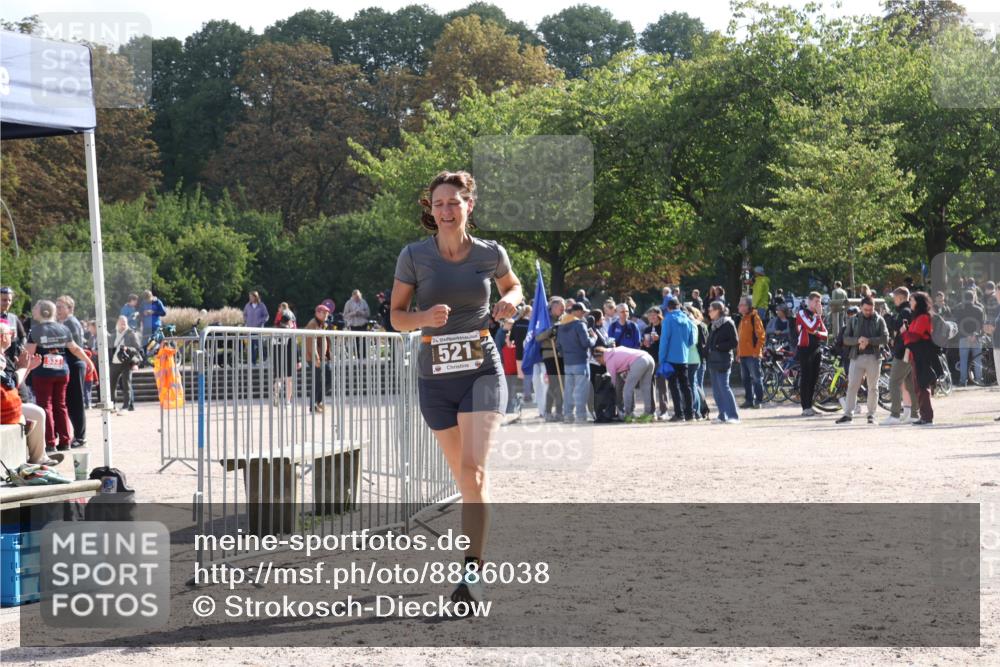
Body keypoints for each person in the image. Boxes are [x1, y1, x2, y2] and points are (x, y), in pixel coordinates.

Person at [390, 170, 523, 608]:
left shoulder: (490, 253)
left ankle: (471, 575)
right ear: (430, 209)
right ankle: (475, 551)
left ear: (470, 205)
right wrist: (423, 318)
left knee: (474, 472)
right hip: (435, 379)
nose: (446, 210)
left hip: (481, 371)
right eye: (439, 203)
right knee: (465, 482)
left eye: (454, 202)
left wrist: (509, 302)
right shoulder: (414, 255)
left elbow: (513, 286)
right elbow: (397, 316)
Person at [24, 300, 95, 452]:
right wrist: (89, 361)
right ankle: (65, 441)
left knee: (45, 406)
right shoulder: (63, 328)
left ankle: (50, 442)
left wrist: (22, 369)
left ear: (42, 312)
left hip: (43, 373)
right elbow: (75, 349)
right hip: (62, 371)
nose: (33, 311)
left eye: (35, 308)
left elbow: (28, 354)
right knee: (61, 406)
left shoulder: (35, 331)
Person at [1, 323, 64, 466]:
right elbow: (11, 383)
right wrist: (24, 367)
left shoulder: (5, 356)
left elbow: (13, 383)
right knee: (37, 413)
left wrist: (27, 368)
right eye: (10, 333)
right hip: (6, 409)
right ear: (2, 337)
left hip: (11, 404)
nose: (13, 336)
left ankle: (39, 456)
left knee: (37, 413)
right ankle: (38, 458)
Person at [836, 296, 888, 425]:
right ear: (860, 308)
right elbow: (845, 339)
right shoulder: (853, 320)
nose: (868, 312)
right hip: (857, 357)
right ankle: (848, 415)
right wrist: (858, 340)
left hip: (874, 358)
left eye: (870, 309)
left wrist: (869, 341)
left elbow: (885, 338)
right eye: (865, 309)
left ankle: (871, 415)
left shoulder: (879, 320)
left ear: (874, 308)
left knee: (873, 388)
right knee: (852, 386)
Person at [55, 295, 88, 448]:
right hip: (72, 363)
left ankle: (80, 437)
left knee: (76, 402)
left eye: (60, 307)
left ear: (70, 308)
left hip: (75, 363)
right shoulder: (67, 322)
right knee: (71, 402)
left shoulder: (70, 323)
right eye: (56, 307)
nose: (57, 310)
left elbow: (73, 347)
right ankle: (78, 435)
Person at [902, 292, 939, 425]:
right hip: (918, 354)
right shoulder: (919, 316)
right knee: (919, 386)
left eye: (912, 300)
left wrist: (904, 333)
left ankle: (927, 417)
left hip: (922, 355)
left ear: (918, 302)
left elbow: (914, 337)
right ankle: (924, 415)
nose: (910, 303)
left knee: (922, 385)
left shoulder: (923, 317)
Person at [882, 287, 917, 425]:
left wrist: (887, 317)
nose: (893, 300)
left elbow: (897, 326)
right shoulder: (907, 310)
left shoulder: (905, 311)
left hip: (903, 353)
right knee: (909, 385)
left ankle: (895, 415)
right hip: (908, 352)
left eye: (895, 297)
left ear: (901, 298)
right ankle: (914, 414)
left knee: (894, 382)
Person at [593, 345, 654, 422]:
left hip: (639, 361)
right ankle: (648, 414)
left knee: (627, 389)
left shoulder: (609, 361)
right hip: (649, 358)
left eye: (598, 361)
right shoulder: (614, 351)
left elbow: (613, 382)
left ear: (601, 356)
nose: (600, 363)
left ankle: (628, 415)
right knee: (646, 388)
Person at [557, 303, 595, 423]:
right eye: (582, 312)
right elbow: (586, 343)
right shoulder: (579, 325)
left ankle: (568, 415)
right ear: (577, 312)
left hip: (567, 363)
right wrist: (594, 338)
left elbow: (558, 346)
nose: (584, 315)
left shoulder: (561, 325)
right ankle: (581, 416)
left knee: (568, 391)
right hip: (580, 361)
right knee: (581, 390)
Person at [660, 297, 695, 421]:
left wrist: (662, 358)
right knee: (686, 386)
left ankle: (679, 414)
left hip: (670, 358)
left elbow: (664, 340)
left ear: (668, 308)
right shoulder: (687, 319)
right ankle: (690, 414)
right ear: (679, 306)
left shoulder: (668, 319)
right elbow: (692, 340)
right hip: (684, 357)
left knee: (674, 386)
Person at [705, 301, 739, 423]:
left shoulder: (728, 323)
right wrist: (706, 351)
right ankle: (722, 415)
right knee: (716, 390)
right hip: (713, 359)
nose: (708, 312)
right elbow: (710, 342)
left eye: (710, 310)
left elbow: (734, 342)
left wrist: (718, 347)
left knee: (724, 387)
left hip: (723, 359)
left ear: (718, 310)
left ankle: (733, 416)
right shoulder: (713, 325)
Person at [795, 292, 828, 417]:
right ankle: (805, 407)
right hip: (805, 349)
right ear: (809, 301)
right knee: (806, 377)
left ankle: (810, 405)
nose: (818, 304)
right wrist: (818, 317)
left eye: (820, 302)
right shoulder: (802, 313)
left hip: (816, 348)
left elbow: (825, 334)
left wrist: (816, 332)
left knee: (814, 378)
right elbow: (811, 327)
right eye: (816, 301)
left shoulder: (816, 316)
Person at [736, 295, 766, 409]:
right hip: (743, 354)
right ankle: (749, 400)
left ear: (748, 306)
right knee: (745, 379)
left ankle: (758, 400)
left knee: (756, 378)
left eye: (742, 304)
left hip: (752, 355)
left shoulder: (754, 318)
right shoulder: (742, 319)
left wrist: (756, 351)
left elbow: (761, 336)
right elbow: (740, 339)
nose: (739, 306)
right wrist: (738, 353)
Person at [108, 315, 141, 412]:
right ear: (117, 323)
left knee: (126, 385)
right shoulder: (113, 334)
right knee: (111, 385)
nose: (123, 325)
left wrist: (128, 348)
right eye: (121, 322)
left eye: (124, 323)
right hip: (114, 362)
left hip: (126, 362)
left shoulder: (131, 334)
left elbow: (137, 349)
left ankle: (126, 406)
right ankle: (113, 405)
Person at [952, 289, 985, 386]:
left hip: (963, 337)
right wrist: (975, 334)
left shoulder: (959, 310)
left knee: (963, 360)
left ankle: (963, 381)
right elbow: (981, 325)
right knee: (977, 360)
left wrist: (966, 335)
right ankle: (979, 379)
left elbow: (957, 325)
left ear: (964, 298)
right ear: (973, 298)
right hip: (976, 338)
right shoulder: (979, 309)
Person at [640, 307, 668, 419]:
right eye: (650, 315)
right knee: (650, 386)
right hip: (649, 360)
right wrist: (644, 344)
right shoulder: (647, 329)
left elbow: (667, 343)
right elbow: (644, 346)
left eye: (654, 315)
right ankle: (652, 411)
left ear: (659, 315)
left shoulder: (664, 327)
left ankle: (664, 411)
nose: (651, 317)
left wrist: (659, 338)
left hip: (661, 360)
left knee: (662, 386)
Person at [304, 303, 332, 413]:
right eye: (324, 313)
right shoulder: (313, 324)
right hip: (314, 357)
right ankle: (314, 405)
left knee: (328, 378)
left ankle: (318, 401)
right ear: (317, 313)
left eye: (327, 313)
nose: (326, 315)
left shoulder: (322, 323)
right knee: (317, 381)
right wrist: (315, 358)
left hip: (322, 357)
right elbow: (311, 342)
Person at [271, 303, 299, 404]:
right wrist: (298, 360)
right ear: (290, 321)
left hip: (277, 356)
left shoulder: (275, 331)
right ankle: (287, 401)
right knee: (289, 380)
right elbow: (295, 346)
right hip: (289, 357)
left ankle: (276, 396)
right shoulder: (290, 332)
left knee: (278, 379)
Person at [685, 305, 710, 420]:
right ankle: (701, 411)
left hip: (696, 358)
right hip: (697, 358)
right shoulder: (699, 325)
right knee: (697, 385)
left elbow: (703, 344)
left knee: (696, 386)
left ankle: (701, 410)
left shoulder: (698, 325)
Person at [1, 286, 27, 368]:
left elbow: (23, 336)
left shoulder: (13, 318)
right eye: (4, 300)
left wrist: (20, 350)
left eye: (10, 300)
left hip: (10, 361)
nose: (8, 303)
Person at [243, 291, 270, 366]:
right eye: (249, 297)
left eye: (251, 297)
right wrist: (246, 321)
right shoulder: (247, 305)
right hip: (250, 329)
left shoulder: (261, 305)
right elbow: (244, 314)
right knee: (251, 346)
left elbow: (266, 316)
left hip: (258, 329)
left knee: (259, 345)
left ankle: (264, 359)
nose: (250, 298)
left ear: (255, 297)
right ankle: (253, 362)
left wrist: (261, 322)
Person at [343, 289, 371, 358]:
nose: (357, 299)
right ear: (352, 296)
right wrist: (353, 313)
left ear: (360, 295)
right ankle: (358, 357)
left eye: (358, 297)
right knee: (356, 342)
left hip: (363, 325)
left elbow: (368, 314)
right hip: (354, 325)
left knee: (364, 341)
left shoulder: (364, 302)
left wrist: (361, 312)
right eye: (355, 297)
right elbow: (345, 315)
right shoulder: (348, 303)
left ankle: (364, 357)